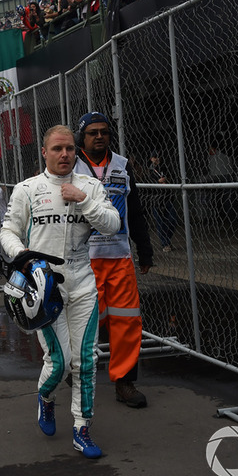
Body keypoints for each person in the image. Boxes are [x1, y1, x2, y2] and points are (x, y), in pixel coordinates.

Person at [0, 125, 120, 459]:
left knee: (85, 361)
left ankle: (82, 429)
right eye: (57, 149)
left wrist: (84, 202)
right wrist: (23, 259)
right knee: (61, 362)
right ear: (44, 152)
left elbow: (113, 224)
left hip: (82, 283)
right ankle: (46, 397)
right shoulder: (27, 189)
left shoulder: (90, 186)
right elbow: (8, 230)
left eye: (69, 149)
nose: (64, 154)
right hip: (42, 288)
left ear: (75, 151)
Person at [73, 112, 153, 409]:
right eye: (92, 132)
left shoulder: (122, 165)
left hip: (119, 258)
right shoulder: (72, 165)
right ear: (82, 136)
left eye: (104, 132)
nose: (99, 136)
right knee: (84, 320)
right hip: (83, 260)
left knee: (126, 321)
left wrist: (145, 251)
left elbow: (135, 211)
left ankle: (124, 382)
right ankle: (77, 373)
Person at [148, 152, 178, 252]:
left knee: (172, 219)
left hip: (168, 197)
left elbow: (174, 177)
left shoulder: (166, 167)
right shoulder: (149, 171)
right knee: (160, 222)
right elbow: (146, 183)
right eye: (155, 157)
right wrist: (157, 182)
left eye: (158, 157)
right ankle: (165, 243)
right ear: (151, 159)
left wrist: (167, 179)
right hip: (156, 200)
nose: (157, 159)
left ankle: (167, 239)